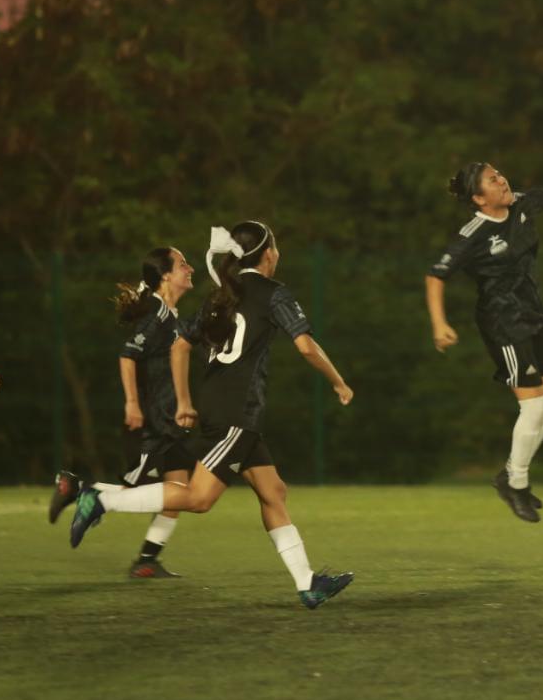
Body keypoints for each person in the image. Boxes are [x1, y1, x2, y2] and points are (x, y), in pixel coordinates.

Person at [68, 222, 356, 609]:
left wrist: (186, 402)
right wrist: (338, 381)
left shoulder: (223, 295)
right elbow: (305, 347)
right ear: (268, 253)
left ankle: (308, 583)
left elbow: (180, 346)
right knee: (200, 498)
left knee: (273, 492)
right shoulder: (273, 293)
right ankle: (101, 501)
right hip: (237, 413)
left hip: (230, 411)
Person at [425, 162, 543, 523]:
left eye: (500, 175)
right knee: (533, 408)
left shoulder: (521, 206)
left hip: (534, 315)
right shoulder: (473, 233)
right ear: (479, 198)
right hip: (503, 324)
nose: (502, 180)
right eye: (492, 180)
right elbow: (436, 276)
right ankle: (516, 483)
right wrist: (439, 323)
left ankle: (509, 473)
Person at [48, 247, 197, 580]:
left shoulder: (170, 315)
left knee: (179, 493)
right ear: (165, 276)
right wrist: (132, 402)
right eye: (183, 264)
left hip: (170, 420)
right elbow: (128, 354)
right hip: (154, 423)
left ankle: (147, 560)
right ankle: (80, 489)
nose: (191, 269)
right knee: (143, 493)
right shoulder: (158, 314)